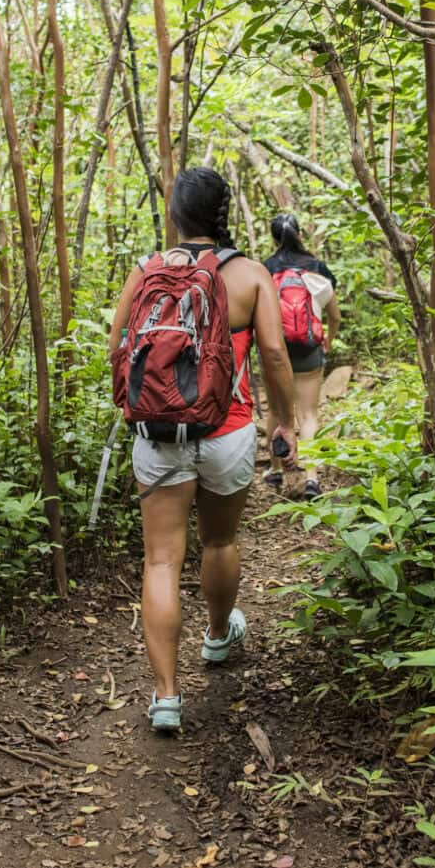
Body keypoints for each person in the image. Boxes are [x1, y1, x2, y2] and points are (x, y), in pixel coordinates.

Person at [108, 167, 298, 733]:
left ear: (174, 215)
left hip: (158, 435)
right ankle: (217, 638)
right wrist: (281, 421)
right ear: (224, 214)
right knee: (220, 540)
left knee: (161, 559)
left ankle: (166, 697)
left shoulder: (146, 272)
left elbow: (116, 348)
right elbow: (273, 353)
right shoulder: (249, 274)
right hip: (228, 431)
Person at [263, 213, 340, 498]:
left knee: (274, 411)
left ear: (274, 239)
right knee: (308, 415)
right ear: (300, 235)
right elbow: (334, 315)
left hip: (276, 351)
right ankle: (311, 478)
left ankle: (276, 472)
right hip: (309, 350)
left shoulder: (267, 269)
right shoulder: (317, 268)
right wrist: (329, 340)